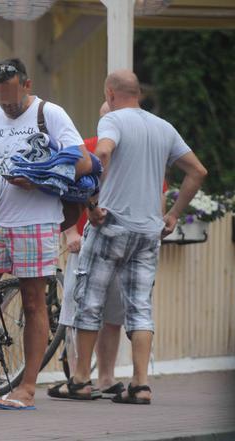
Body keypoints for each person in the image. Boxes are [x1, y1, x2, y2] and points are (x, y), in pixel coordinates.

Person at [0, 58, 92, 410]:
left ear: (26, 85)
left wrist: (38, 177)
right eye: (0, 98)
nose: (7, 106)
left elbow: (83, 161)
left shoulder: (50, 113)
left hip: (37, 221)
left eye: (11, 98)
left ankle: (27, 387)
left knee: (32, 300)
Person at [59, 70, 207, 404]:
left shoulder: (112, 121)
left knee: (90, 300)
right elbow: (198, 172)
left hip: (111, 224)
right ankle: (140, 384)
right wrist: (171, 215)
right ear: (137, 92)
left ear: (110, 93)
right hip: (147, 230)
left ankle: (81, 379)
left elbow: (104, 153)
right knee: (140, 306)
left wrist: (91, 204)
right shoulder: (163, 127)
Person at [48, 102, 125, 400]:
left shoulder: (133, 157)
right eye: (108, 118)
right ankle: (80, 376)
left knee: (114, 314)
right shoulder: (88, 149)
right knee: (76, 310)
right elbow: (64, 190)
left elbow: (157, 192)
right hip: (86, 241)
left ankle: (106, 377)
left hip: (121, 243)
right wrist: (70, 232)